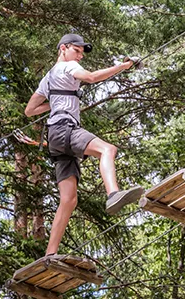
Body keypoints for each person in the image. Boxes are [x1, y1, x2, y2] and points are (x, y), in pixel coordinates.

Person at [24, 33, 144, 255]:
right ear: (63, 48)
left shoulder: (48, 77)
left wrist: (55, 103)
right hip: (65, 129)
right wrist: (124, 66)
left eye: (81, 53)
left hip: (55, 140)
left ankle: (50, 254)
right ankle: (113, 194)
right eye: (76, 51)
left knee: (69, 200)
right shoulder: (67, 67)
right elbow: (91, 77)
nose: (79, 56)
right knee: (108, 149)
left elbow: (30, 110)